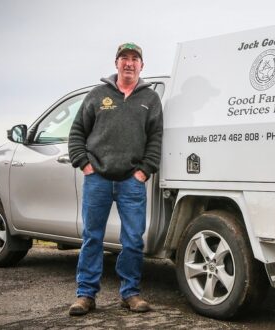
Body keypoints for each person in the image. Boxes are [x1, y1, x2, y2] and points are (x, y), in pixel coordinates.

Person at [67, 42, 163, 316]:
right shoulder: (97, 95)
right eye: (124, 58)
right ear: (116, 63)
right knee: (92, 238)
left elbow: (156, 138)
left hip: (131, 181)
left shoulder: (150, 99)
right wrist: (85, 165)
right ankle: (85, 295)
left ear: (141, 66)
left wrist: (144, 171)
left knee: (133, 239)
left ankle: (130, 293)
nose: (129, 63)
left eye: (134, 59)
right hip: (97, 179)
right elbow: (76, 134)